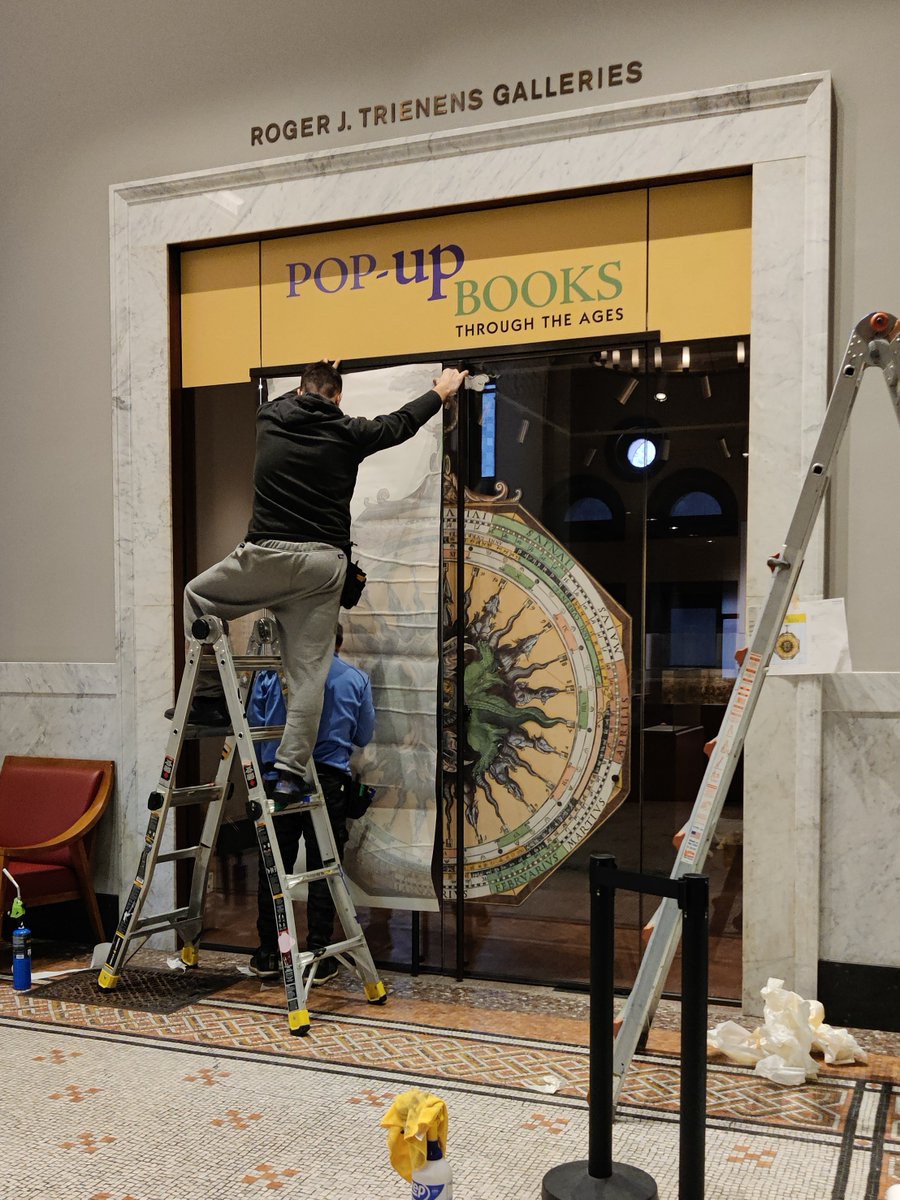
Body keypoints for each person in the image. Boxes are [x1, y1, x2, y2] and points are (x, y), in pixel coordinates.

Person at [180, 359, 467, 799]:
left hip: (266, 556)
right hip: (322, 565)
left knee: (197, 596)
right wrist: (442, 391)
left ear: (298, 391)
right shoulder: (350, 431)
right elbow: (401, 424)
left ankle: (209, 696)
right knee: (310, 674)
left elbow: (297, 399)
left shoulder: (270, 417)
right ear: (338, 398)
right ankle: (291, 773)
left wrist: (315, 378)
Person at [250, 622, 374, 983]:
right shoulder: (355, 679)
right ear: (339, 642)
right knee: (325, 870)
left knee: (274, 867)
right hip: (329, 784)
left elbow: (255, 731)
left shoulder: (273, 675)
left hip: (277, 779)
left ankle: (270, 953)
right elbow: (364, 735)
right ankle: (320, 953)